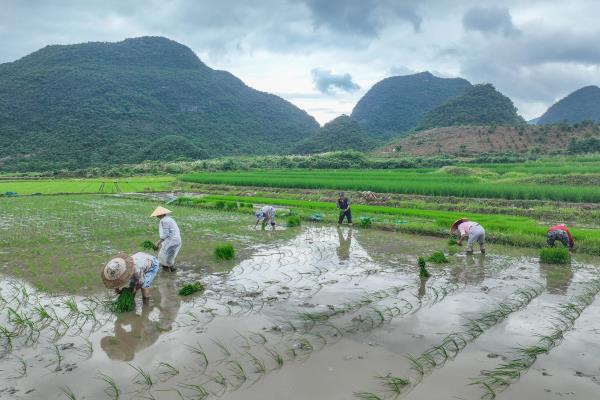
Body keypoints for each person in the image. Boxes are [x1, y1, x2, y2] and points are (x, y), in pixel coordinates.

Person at [151, 206, 182, 272]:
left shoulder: (164, 220)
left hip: (171, 241)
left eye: (157, 214)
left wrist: (158, 243)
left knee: (163, 257)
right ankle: (170, 271)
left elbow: (166, 234)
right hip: (176, 240)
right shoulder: (169, 219)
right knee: (168, 256)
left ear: (162, 214)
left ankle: (168, 271)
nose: (156, 216)